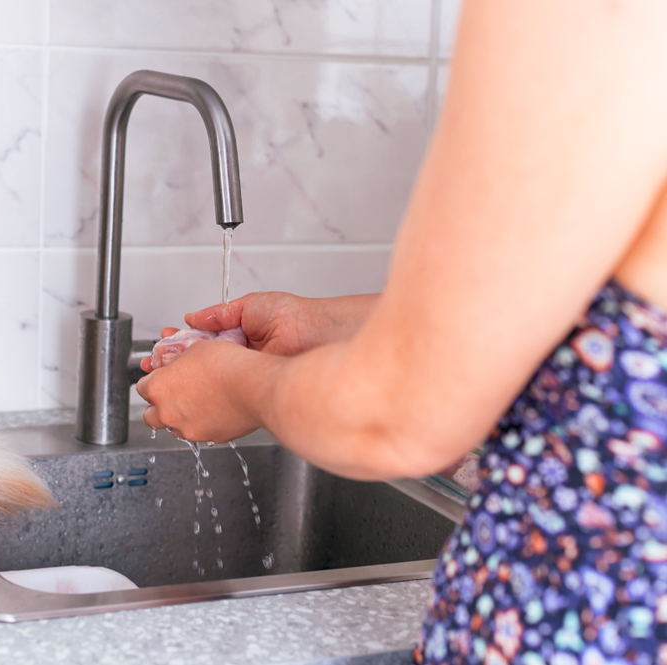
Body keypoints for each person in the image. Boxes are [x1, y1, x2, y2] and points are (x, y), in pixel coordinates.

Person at [135, 1, 667, 662]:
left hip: (583, 627)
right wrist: (322, 325)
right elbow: (566, 303)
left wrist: (241, 387)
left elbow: (400, 414)